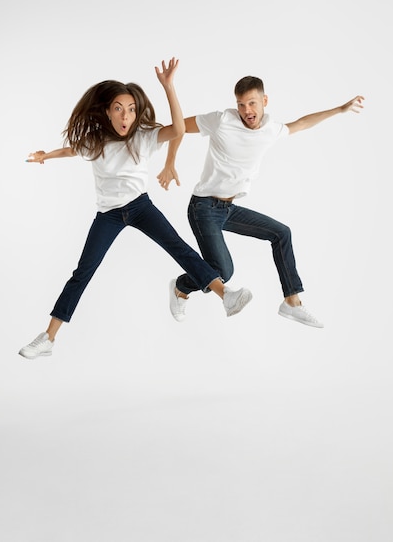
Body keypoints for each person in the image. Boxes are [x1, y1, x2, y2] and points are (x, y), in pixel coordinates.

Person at [18, 59, 252, 360]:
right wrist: (45, 156)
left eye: (130, 109)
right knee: (83, 272)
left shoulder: (144, 136)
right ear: (107, 112)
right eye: (118, 108)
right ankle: (48, 338)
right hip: (109, 215)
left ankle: (226, 295)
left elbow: (179, 128)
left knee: (180, 249)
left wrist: (168, 87)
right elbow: (71, 150)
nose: (125, 115)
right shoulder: (96, 142)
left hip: (141, 207)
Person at [157, 75, 364, 327]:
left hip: (228, 208)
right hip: (203, 207)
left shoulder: (271, 129)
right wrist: (169, 163)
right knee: (223, 271)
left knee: (281, 233)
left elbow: (303, 122)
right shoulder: (222, 120)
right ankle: (180, 287)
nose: (246, 110)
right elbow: (178, 127)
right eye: (241, 104)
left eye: (252, 103)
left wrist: (340, 109)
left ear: (264, 101)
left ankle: (292, 302)